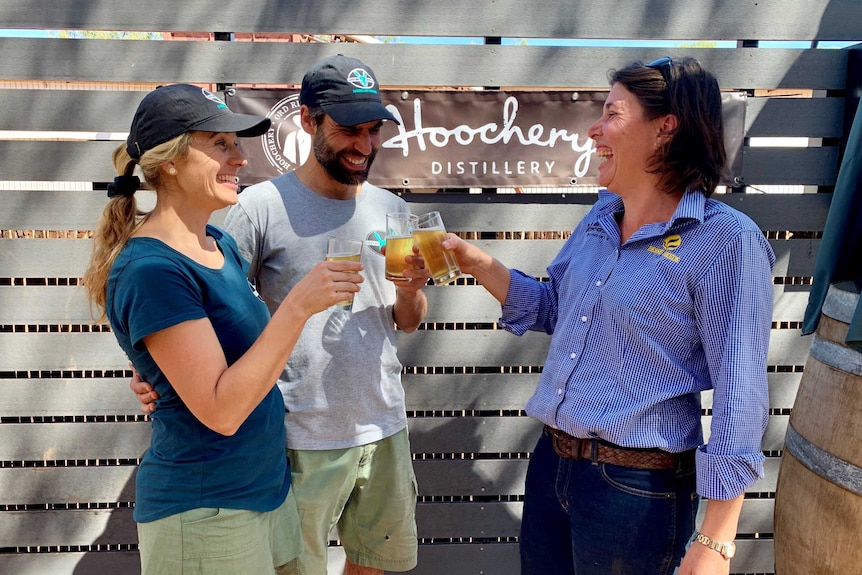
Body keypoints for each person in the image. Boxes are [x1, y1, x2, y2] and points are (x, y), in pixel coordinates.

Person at [443, 57, 775, 575]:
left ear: (667, 128)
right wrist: (474, 261)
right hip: (553, 467)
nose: (594, 130)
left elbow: (742, 392)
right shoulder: (601, 217)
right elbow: (554, 307)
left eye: (612, 114)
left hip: (637, 493)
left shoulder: (725, 241)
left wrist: (716, 540)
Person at [132, 55, 428, 575]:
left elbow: (408, 321)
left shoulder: (393, 209)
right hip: (296, 434)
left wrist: (411, 291)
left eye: (372, 130)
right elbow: (205, 302)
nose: (364, 145)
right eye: (348, 130)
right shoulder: (258, 207)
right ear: (309, 120)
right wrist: (153, 373)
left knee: (376, 563)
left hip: (383, 424)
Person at [84, 83, 364, 574]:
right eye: (220, 144)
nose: (240, 159)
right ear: (169, 161)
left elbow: (221, 357)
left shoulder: (217, 244)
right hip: (205, 512)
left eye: (237, 145)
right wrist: (296, 307)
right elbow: (221, 412)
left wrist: (155, 372)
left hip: (261, 494)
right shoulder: (153, 269)